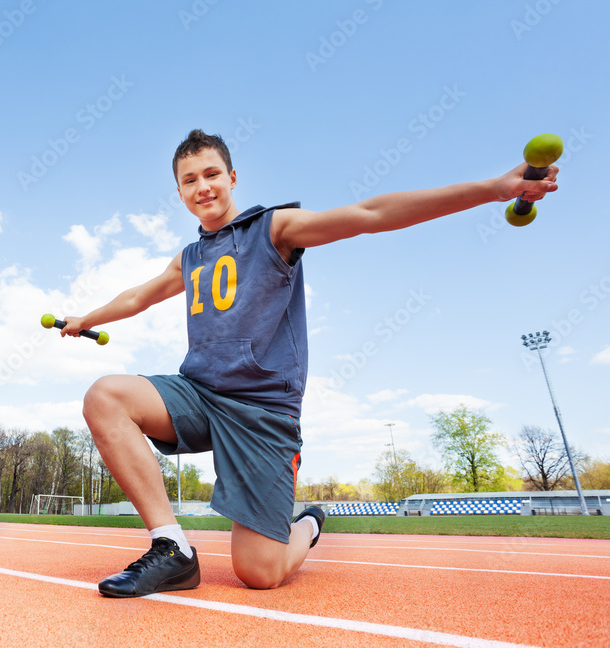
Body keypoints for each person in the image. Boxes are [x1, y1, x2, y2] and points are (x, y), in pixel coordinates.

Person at [59, 129, 559, 597]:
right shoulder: (189, 256)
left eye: (211, 174)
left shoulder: (275, 228)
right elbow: (138, 297)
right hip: (202, 395)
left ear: (232, 178)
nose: (202, 187)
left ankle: (308, 524)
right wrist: (86, 318)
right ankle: (173, 548)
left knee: (259, 574)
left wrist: (496, 188)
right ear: (179, 191)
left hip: (263, 412)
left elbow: (371, 213)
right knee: (106, 395)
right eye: (189, 180)